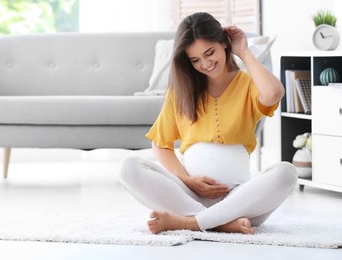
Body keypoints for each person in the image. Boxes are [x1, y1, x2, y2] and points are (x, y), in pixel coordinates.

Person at [119, 12, 297, 235]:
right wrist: (188, 180)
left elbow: (273, 93)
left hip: (239, 200)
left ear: (224, 44)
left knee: (286, 172)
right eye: (195, 60)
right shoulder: (181, 91)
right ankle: (220, 223)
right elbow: (160, 144)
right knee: (129, 168)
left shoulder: (247, 83)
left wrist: (243, 50)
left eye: (209, 52)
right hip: (188, 195)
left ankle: (190, 223)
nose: (205, 63)